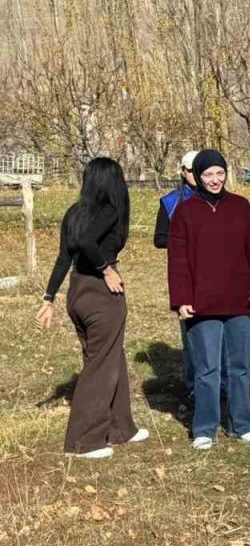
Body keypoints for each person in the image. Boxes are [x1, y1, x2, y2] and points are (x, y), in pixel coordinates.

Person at [35, 157, 146, 459]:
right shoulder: (110, 210)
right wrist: (107, 270)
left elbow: (63, 259)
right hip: (100, 293)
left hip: (77, 292)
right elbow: (86, 242)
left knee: (111, 357)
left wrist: (49, 299)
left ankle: (122, 427)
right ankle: (84, 441)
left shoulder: (74, 212)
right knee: (100, 365)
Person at [168, 149, 250, 451]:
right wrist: (181, 299)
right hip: (202, 305)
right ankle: (205, 428)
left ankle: (242, 424)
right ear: (197, 177)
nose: (215, 180)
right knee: (207, 369)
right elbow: (178, 261)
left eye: (220, 173)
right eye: (208, 174)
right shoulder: (185, 213)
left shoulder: (240, 206)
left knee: (239, 367)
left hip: (240, 303)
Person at [154, 149, 208, 393]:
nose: (195, 175)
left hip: (216, 271)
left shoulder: (217, 198)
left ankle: (221, 382)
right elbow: (159, 239)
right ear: (183, 172)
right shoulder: (170, 202)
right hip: (186, 272)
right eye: (190, 171)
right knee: (191, 331)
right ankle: (193, 384)